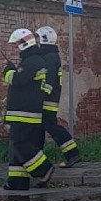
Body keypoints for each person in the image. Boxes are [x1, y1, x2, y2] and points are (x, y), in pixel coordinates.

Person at [2, 28, 54, 201]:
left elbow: (19, 80)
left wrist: (8, 71)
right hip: (23, 111)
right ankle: (17, 182)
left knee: (21, 144)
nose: (16, 49)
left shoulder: (33, 61)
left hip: (24, 113)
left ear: (24, 43)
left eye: (16, 45)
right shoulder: (34, 60)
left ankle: (44, 169)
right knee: (17, 149)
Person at [35, 25, 81, 167]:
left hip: (47, 100)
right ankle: (38, 157)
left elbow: (48, 82)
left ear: (43, 40)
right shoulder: (51, 56)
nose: (37, 42)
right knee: (40, 128)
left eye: (38, 39)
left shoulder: (49, 57)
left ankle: (72, 153)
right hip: (48, 99)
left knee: (51, 126)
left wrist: (39, 97)